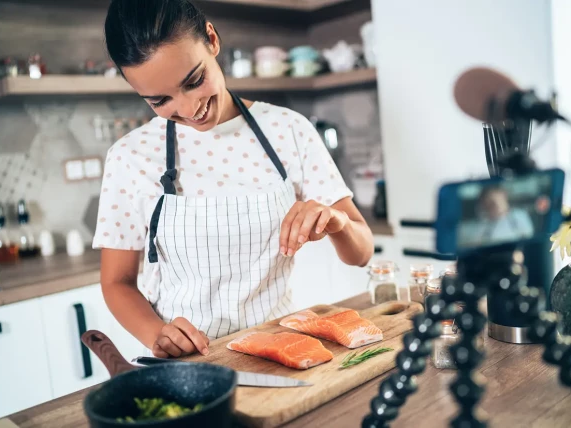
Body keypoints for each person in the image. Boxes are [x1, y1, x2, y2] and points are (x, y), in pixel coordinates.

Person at [93, 0, 374, 359]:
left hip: (282, 349)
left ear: (211, 39)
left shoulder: (289, 130)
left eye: (194, 81)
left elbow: (362, 252)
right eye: (160, 100)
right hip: (189, 364)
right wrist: (157, 334)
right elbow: (117, 282)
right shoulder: (129, 157)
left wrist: (336, 222)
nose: (189, 108)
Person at [458, 185, 534, 248]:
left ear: (504, 194)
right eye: (488, 204)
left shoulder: (518, 216)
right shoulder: (481, 226)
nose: (492, 207)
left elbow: (528, 240)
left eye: (494, 203)